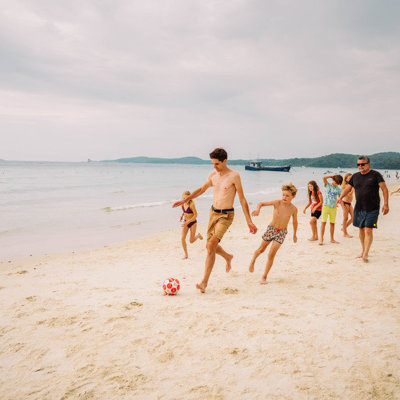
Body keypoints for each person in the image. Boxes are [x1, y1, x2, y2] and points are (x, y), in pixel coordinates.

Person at [172, 148, 257, 293]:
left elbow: (242, 200)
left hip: (226, 215)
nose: (214, 166)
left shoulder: (234, 176)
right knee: (209, 246)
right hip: (213, 213)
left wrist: (249, 221)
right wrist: (185, 200)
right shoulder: (213, 174)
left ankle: (204, 283)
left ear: (225, 161)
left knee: (211, 245)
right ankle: (228, 257)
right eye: (213, 163)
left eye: (217, 163)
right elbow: (202, 189)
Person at [337, 156, 389, 262]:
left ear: (368, 164)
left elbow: (384, 189)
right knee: (361, 230)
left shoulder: (376, 175)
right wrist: (340, 197)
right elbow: (348, 188)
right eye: (358, 164)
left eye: (362, 164)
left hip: (373, 208)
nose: (360, 166)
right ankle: (363, 250)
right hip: (359, 207)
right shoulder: (355, 176)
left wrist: (386, 204)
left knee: (368, 230)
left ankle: (365, 254)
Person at [249, 184, 298, 284]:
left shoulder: (293, 209)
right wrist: (258, 210)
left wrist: (294, 234)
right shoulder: (277, 203)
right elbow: (261, 203)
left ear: (293, 196)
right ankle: (253, 260)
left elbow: (295, 222)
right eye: (283, 195)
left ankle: (264, 277)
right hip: (271, 229)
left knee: (271, 255)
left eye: (287, 195)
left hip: (281, 233)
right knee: (261, 250)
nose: (284, 197)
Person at [179, 190, 203, 259]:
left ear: (190, 198)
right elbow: (184, 211)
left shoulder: (192, 204)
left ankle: (198, 236)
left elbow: (195, 215)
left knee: (191, 241)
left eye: (187, 198)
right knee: (182, 239)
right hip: (186, 222)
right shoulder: (182, 204)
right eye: (184, 198)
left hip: (193, 223)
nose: (185, 200)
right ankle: (186, 255)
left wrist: (188, 221)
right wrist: (182, 216)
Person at [319, 174, 343, 245]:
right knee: (323, 222)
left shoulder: (338, 189)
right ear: (333, 180)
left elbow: (340, 198)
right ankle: (321, 238)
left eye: (337, 183)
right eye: (335, 182)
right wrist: (331, 176)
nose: (335, 184)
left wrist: (338, 201)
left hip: (333, 208)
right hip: (326, 206)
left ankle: (332, 239)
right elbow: (324, 178)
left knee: (332, 223)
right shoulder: (328, 185)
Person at [340, 173, 354, 238]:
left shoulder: (351, 185)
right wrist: (353, 188)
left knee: (353, 217)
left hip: (349, 203)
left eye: (352, 178)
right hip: (345, 203)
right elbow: (349, 194)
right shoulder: (346, 186)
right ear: (346, 179)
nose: (351, 179)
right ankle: (345, 233)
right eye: (349, 178)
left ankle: (344, 228)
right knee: (345, 218)